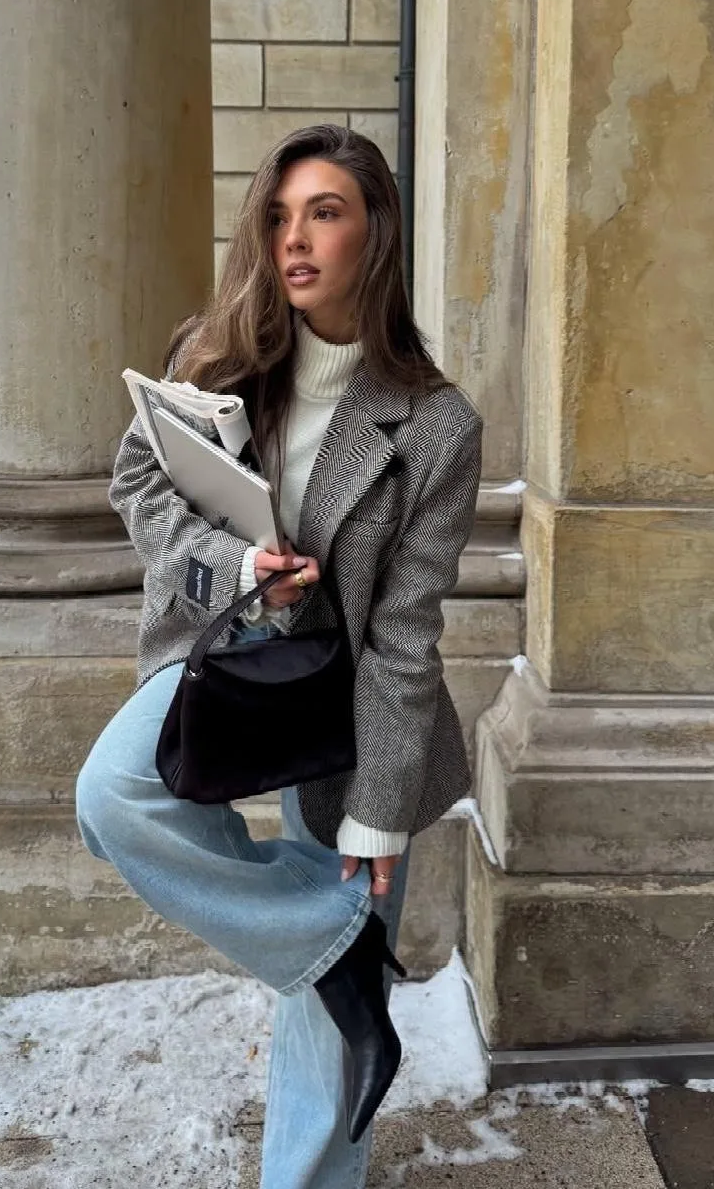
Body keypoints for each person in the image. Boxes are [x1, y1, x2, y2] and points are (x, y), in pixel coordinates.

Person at [75, 123, 483, 1188]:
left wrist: (380, 809)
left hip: (352, 694)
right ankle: (336, 949)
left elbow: (404, 633)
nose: (292, 239)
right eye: (277, 215)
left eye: (324, 213)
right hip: (230, 641)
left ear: (375, 232)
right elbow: (138, 483)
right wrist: (232, 567)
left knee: (334, 983)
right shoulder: (213, 352)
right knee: (113, 797)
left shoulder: (435, 424)